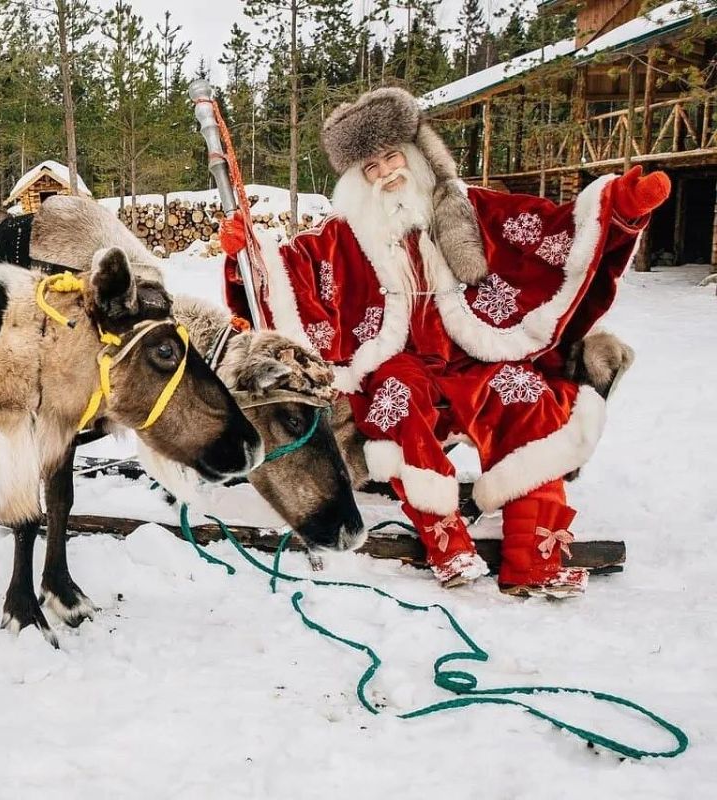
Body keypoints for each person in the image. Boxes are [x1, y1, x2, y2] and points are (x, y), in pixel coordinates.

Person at [219, 87, 670, 597]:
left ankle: (534, 556)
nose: (386, 172)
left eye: (392, 157)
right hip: (398, 361)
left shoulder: (467, 208)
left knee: (525, 395)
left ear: (412, 154)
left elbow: (546, 230)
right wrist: (250, 256)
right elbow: (294, 272)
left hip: (473, 355)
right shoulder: (345, 234)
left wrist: (618, 209)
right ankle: (446, 545)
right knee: (396, 402)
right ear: (356, 180)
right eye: (370, 167)